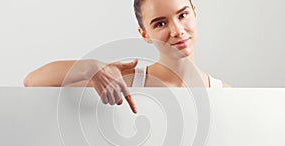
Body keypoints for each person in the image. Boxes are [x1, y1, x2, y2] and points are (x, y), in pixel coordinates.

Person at [24, 0, 230, 114]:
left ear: (195, 12)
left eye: (183, 15)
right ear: (144, 34)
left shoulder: (226, 94)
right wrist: (92, 67)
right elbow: (32, 81)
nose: (177, 30)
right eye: (160, 23)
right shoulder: (125, 83)